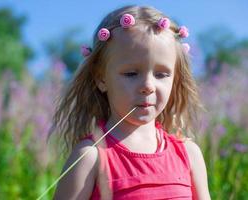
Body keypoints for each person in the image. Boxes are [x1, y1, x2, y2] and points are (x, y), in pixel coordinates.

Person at [51, 5, 211, 200]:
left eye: (161, 74)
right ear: (101, 79)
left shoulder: (189, 155)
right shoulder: (91, 157)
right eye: (131, 74)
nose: (148, 86)